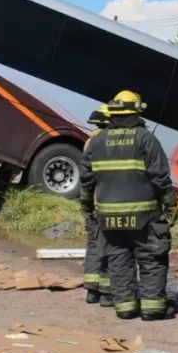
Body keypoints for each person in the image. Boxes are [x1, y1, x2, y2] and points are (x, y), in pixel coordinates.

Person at [80, 90, 177, 321]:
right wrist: (170, 205)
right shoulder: (145, 138)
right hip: (144, 215)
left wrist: (86, 207)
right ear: (136, 111)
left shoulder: (97, 141)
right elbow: (160, 177)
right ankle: (152, 308)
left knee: (119, 260)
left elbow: (87, 179)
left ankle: (125, 308)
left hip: (108, 216)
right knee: (152, 258)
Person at [82, 104, 113, 307]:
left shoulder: (89, 142)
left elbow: (87, 177)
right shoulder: (109, 143)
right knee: (109, 248)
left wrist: (85, 205)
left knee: (93, 246)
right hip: (107, 204)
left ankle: (91, 292)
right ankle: (106, 293)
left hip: (92, 204)